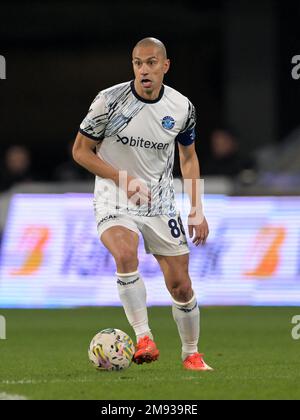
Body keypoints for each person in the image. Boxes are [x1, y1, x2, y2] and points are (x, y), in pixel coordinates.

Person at [72, 37, 212, 371]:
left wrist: (196, 207)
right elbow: (80, 151)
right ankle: (143, 336)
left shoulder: (181, 108)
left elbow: (188, 158)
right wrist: (123, 179)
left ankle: (191, 353)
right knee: (124, 252)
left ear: (165, 66)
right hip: (115, 195)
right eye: (137, 63)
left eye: (151, 63)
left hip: (160, 202)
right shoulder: (109, 101)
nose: (143, 70)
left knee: (181, 285)